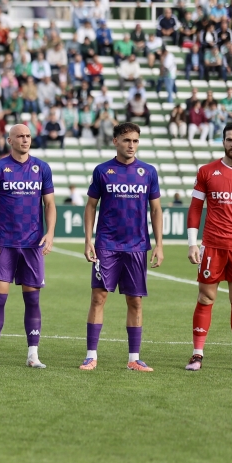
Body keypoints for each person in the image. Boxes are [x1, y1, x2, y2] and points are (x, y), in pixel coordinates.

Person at [82, 122, 163, 371]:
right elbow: (91, 206)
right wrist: (88, 240)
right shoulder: (103, 171)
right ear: (115, 140)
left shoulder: (148, 172)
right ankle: (91, 355)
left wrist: (159, 245)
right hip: (107, 245)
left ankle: (133, 359)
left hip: (137, 246)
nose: (131, 145)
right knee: (99, 297)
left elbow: (156, 209)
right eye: (127, 140)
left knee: (135, 302)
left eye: (135, 141)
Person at [0, 124, 56, 369]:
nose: (25, 140)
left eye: (28, 136)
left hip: (32, 246)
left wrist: (51, 233)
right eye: (20, 136)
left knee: (32, 301)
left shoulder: (42, 168)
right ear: (9, 140)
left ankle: (33, 355)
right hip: (4, 246)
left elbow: (50, 205)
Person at [185, 124, 232, 370]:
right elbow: (195, 209)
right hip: (213, 245)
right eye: (229, 139)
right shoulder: (207, 171)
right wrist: (192, 243)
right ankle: (197, 354)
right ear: (223, 141)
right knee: (206, 297)